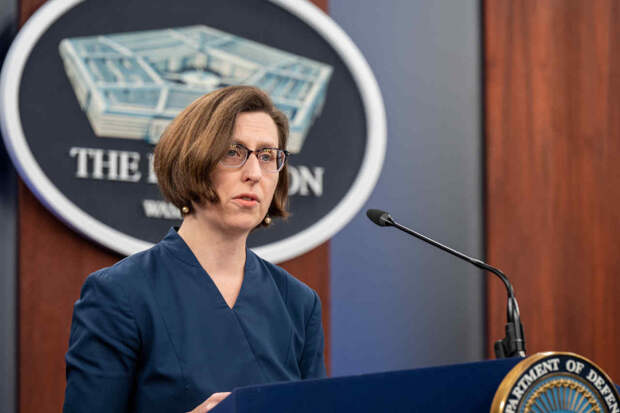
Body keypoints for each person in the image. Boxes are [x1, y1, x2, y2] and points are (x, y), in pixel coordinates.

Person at [63, 86, 327, 413]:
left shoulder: (298, 303)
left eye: (267, 156)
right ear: (192, 161)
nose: (254, 174)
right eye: (233, 152)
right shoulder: (120, 293)